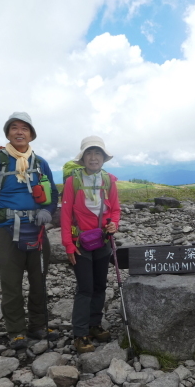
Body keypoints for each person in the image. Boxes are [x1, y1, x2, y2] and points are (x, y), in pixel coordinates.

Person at [0, 112, 59, 349]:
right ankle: (16, 331)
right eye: (14, 128)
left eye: (25, 128)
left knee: (38, 280)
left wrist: (48, 211)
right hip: (6, 229)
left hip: (37, 228)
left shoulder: (41, 163)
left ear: (32, 134)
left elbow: (52, 193)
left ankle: (38, 326)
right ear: (8, 133)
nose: (20, 132)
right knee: (11, 283)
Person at [61, 136, 121, 353]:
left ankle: (94, 324)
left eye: (97, 153)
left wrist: (114, 224)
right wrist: (68, 244)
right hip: (80, 243)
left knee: (100, 286)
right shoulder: (73, 182)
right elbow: (65, 214)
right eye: (89, 153)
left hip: (103, 240)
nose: (93, 157)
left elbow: (114, 209)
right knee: (85, 288)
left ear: (103, 158)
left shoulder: (108, 181)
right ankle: (80, 333)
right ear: (83, 157)